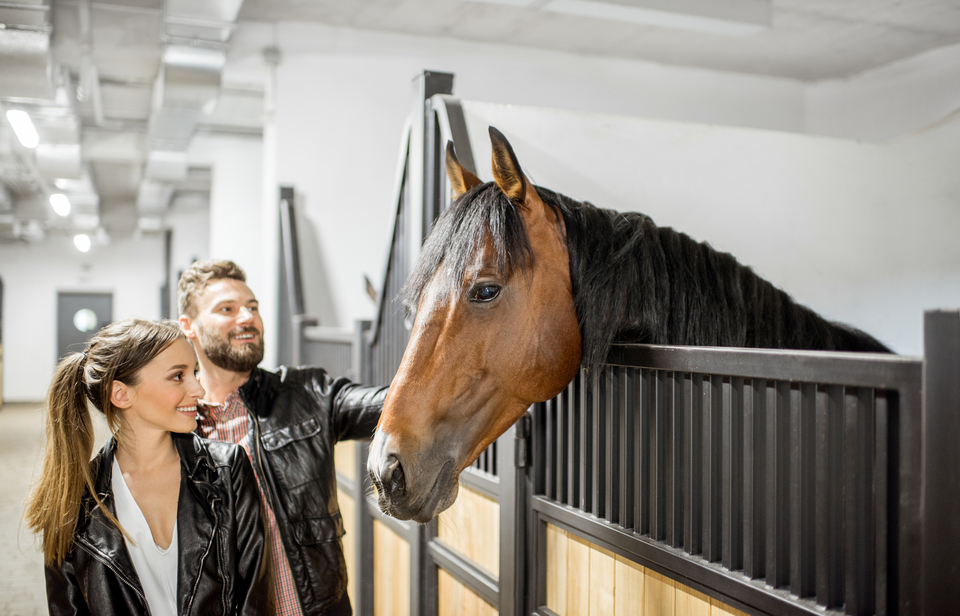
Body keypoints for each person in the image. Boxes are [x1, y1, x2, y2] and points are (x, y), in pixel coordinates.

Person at [177, 259, 387, 616]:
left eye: (252, 307)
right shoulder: (178, 427)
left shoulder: (307, 394)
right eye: (227, 309)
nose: (247, 318)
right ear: (189, 326)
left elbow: (393, 405)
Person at [25, 318, 271, 616]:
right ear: (121, 394)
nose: (198, 389)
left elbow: (254, 600)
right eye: (178, 376)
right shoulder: (73, 499)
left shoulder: (228, 468)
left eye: (194, 372)